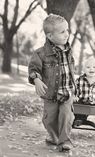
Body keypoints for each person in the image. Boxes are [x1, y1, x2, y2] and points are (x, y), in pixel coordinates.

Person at [28, 14, 76, 151]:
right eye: (62, 32)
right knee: (48, 120)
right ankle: (54, 136)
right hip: (50, 94)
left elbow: (70, 71)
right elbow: (33, 69)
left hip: (67, 92)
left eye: (67, 30)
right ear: (50, 36)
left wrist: (75, 89)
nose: (67, 34)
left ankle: (65, 141)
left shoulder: (69, 50)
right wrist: (36, 79)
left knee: (66, 117)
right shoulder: (40, 53)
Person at [74, 57, 95, 123]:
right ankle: (79, 118)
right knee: (75, 107)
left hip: (94, 103)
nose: (91, 69)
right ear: (84, 69)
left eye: (94, 67)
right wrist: (75, 96)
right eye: (88, 67)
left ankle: (81, 118)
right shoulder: (79, 80)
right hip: (81, 102)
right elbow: (75, 89)